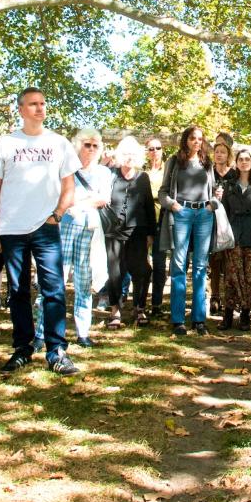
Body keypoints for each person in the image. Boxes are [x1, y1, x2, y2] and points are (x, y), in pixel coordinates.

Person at [0, 87, 81, 375]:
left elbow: (69, 185)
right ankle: (22, 348)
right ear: (21, 109)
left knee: (54, 290)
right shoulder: (6, 144)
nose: (40, 108)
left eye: (43, 103)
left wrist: (57, 214)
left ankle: (56, 350)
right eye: (33, 104)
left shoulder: (59, 143)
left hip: (45, 229)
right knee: (18, 290)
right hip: (12, 228)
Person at [159, 125, 217, 336]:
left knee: (201, 266)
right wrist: (174, 206)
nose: (197, 142)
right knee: (178, 265)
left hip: (204, 215)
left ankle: (199, 319)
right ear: (186, 140)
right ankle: (178, 320)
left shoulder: (206, 163)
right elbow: (162, 192)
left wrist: (212, 204)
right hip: (181, 214)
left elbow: (214, 190)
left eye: (200, 139)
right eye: (193, 138)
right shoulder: (174, 162)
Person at [61, 129, 113, 346]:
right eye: (87, 145)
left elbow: (104, 198)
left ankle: (83, 332)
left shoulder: (103, 172)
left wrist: (78, 203)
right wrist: (80, 201)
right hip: (64, 227)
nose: (91, 149)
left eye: (95, 145)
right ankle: (44, 331)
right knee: (56, 280)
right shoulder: (66, 168)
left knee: (84, 281)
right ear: (78, 145)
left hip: (90, 229)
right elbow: (60, 195)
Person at [106, 136, 157, 327]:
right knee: (115, 272)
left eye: (132, 154)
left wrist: (151, 233)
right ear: (120, 154)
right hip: (113, 230)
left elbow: (150, 206)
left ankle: (139, 308)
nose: (129, 157)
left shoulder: (142, 177)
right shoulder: (111, 174)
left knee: (141, 270)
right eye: (125, 153)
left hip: (138, 230)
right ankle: (115, 311)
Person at [219, 150, 251, 330]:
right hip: (233, 233)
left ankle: (245, 314)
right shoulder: (230, 185)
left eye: (247, 159)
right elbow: (224, 210)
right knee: (232, 275)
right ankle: (227, 314)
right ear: (236, 163)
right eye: (240, 159)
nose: (244, 162)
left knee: (249, 275)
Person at [209, 141, 237, 314]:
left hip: (230, 220)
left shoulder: (234, 174)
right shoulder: (208, 172)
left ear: (228, 156)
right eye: (217, 152)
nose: (219, 155)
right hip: (211, 219)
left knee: (229, 260)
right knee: (214, 260)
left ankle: (230, 298)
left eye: (223, 152)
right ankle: (215, 296)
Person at [145, 136, 168, 316]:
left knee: (160, 264)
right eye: (151, 149)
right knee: (142, 264)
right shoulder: (141, 171)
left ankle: (157, 304)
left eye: (157, 148)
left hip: (163, 221)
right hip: (143, 221)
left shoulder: (169, 170)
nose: (154, 152)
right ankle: (139, 303)